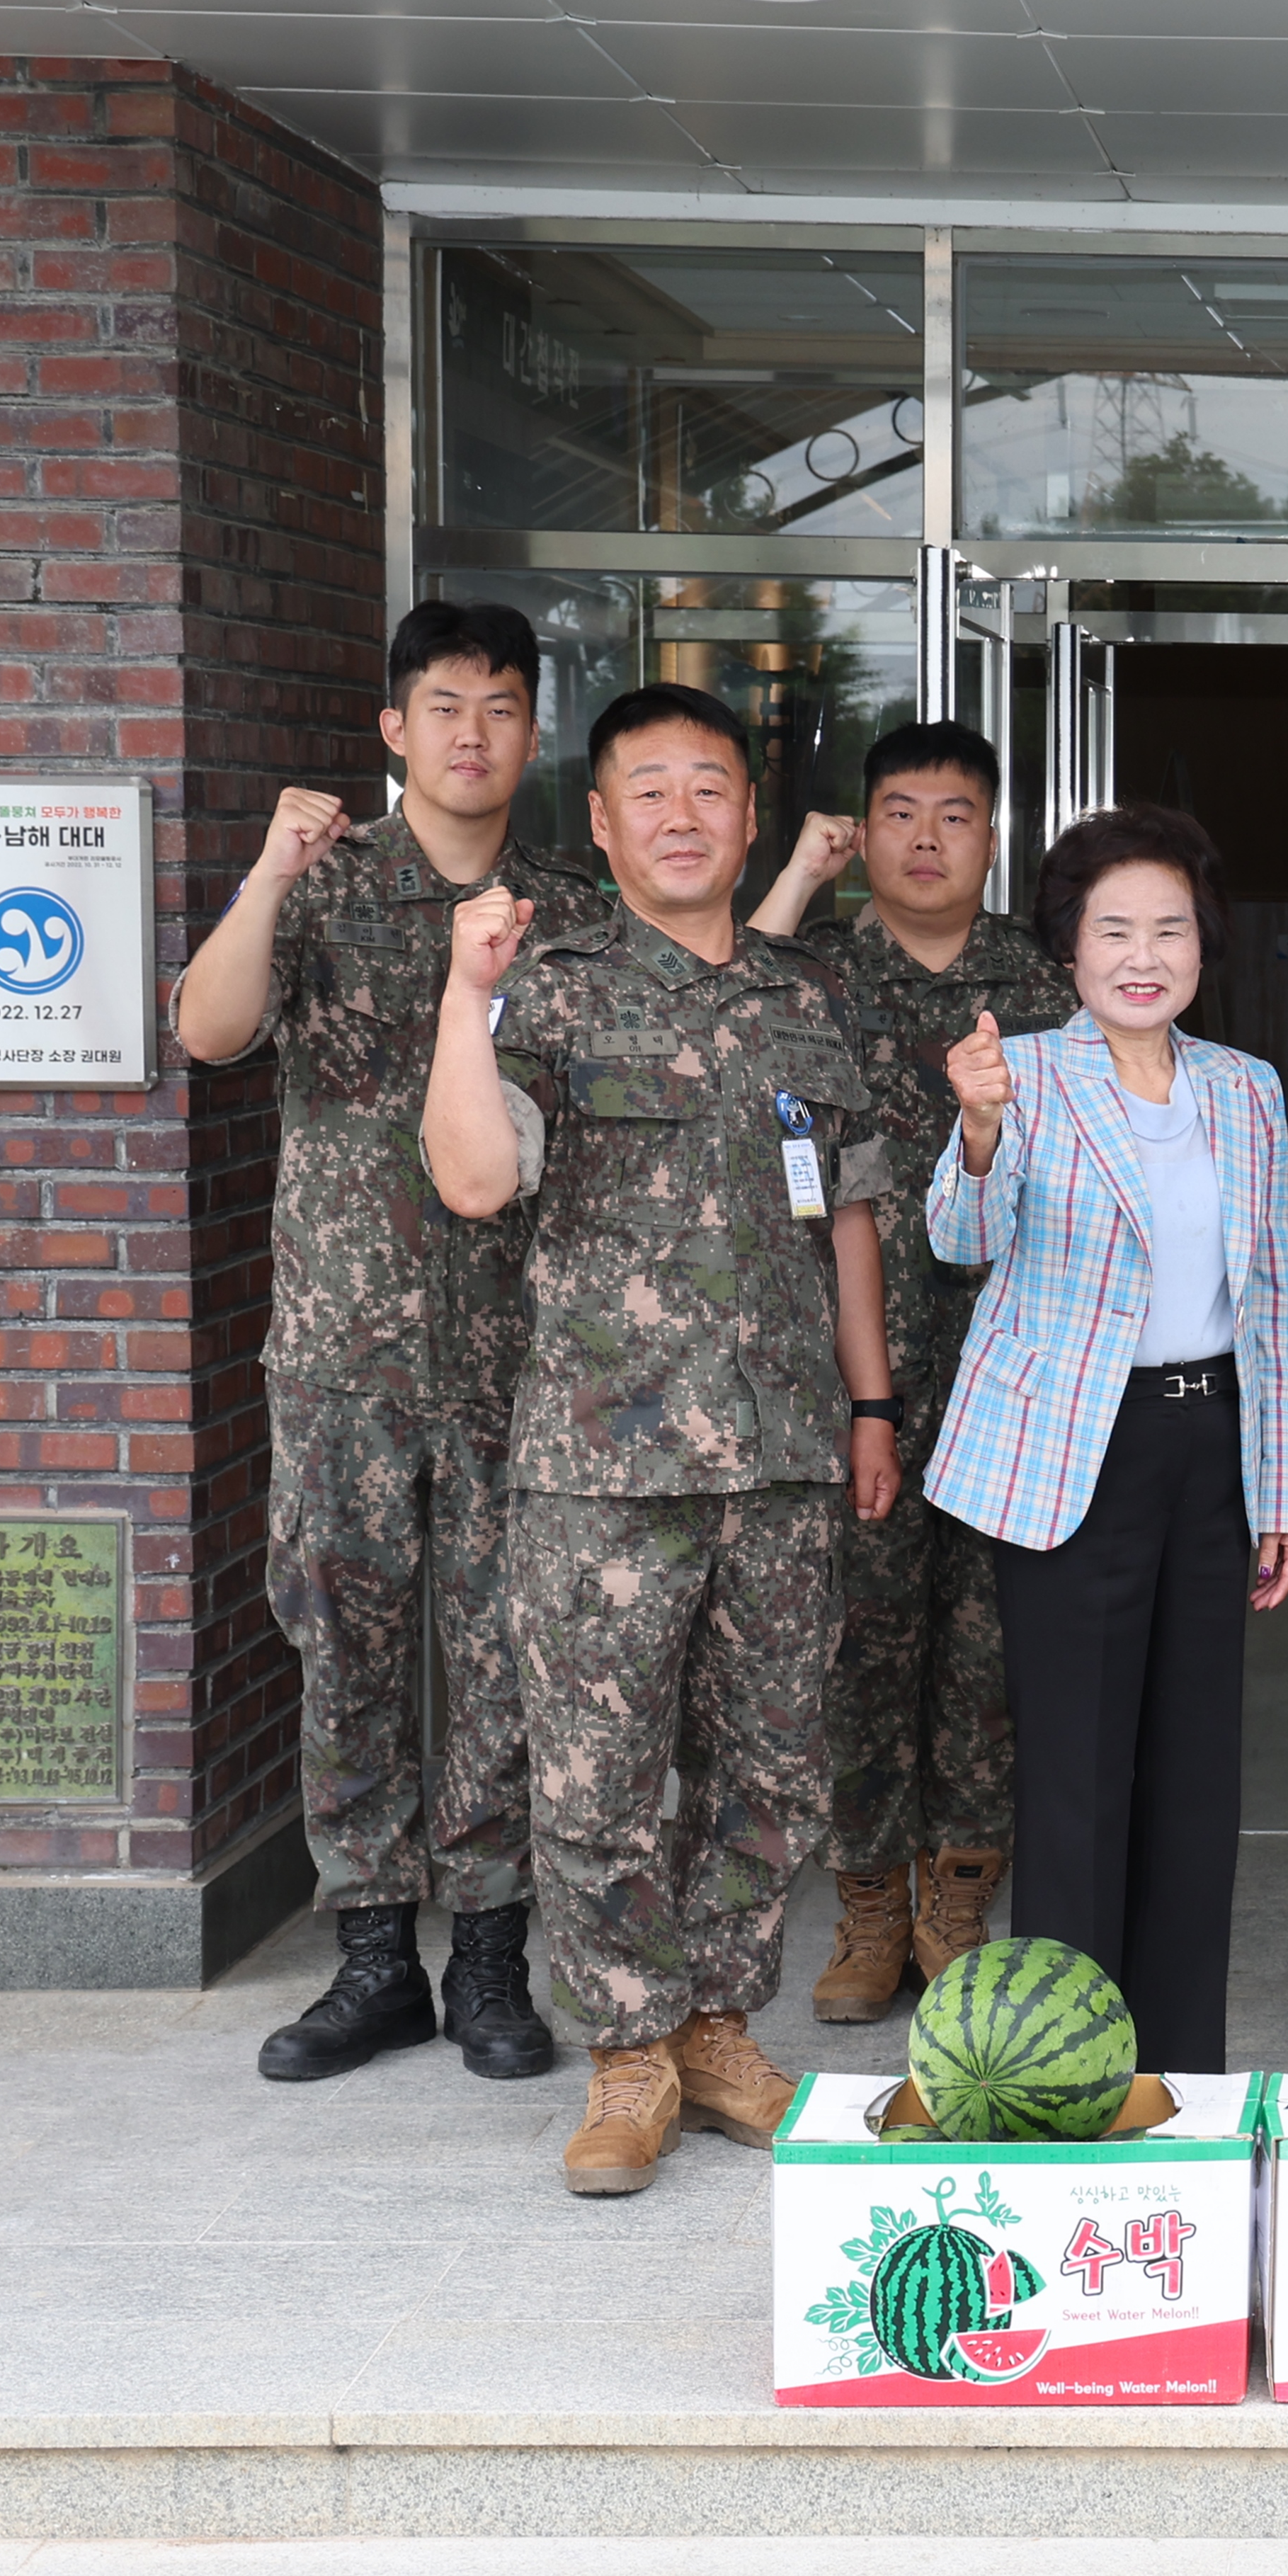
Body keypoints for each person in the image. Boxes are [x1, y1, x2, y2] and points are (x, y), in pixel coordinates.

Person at [421, 683, 902, 2198]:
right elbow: (479, 1178)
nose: (684, 815)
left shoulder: (809, 1001)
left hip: (783, 1452)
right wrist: (458, 993)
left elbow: (854, 1217)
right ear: (606, 823)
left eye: (712, 789)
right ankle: (627, 2050)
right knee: (600, 1769)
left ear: (752, 818)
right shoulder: (544, 988)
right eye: (652, 791)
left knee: (774, 1765)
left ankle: (716, 2024)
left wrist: (872, 1398)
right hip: (602, 1459)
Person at [175, 600, 607, 2092]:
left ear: (530, 733)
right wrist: (263, 873)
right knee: (345, 1650)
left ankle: (489, 1952)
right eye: (443, 707)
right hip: (345, 1350)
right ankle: (373, 1955)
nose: (471, 733)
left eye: (498, 707)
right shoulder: (326, 880)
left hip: (517, 1353)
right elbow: (211, 1032)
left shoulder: (572, 906)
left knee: (500, 1663)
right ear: (394, 730)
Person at [923, 804, 1288, 2075]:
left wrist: (1282, 1483)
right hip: (1076, 1457)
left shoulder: (1246, 1089)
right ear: (1070, 950)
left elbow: (1275, 1296)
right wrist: (976, 1130)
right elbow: (959, 1242)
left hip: (1212, 1447)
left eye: (1171, 930)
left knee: (1197, 1782)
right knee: (1079, 1781)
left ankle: (1182, 2073)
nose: (1145, 955)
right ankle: (1067, 2066)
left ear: (1204, 946)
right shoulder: (1020, 1073)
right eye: (1115, 930)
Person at [749, 724, 1081, 2019]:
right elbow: (720, 1010)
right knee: (863, 1642)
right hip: (851, 1371)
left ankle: (958, 1894)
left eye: (957, 813)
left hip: (1020, 1367)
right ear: (863, 832)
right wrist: (795, 875)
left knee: (991, 1648)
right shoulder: (814, 973)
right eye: (900, 812)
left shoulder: (1051, 983)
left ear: (995, 837)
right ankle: (870, 1905)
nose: (928, 837)